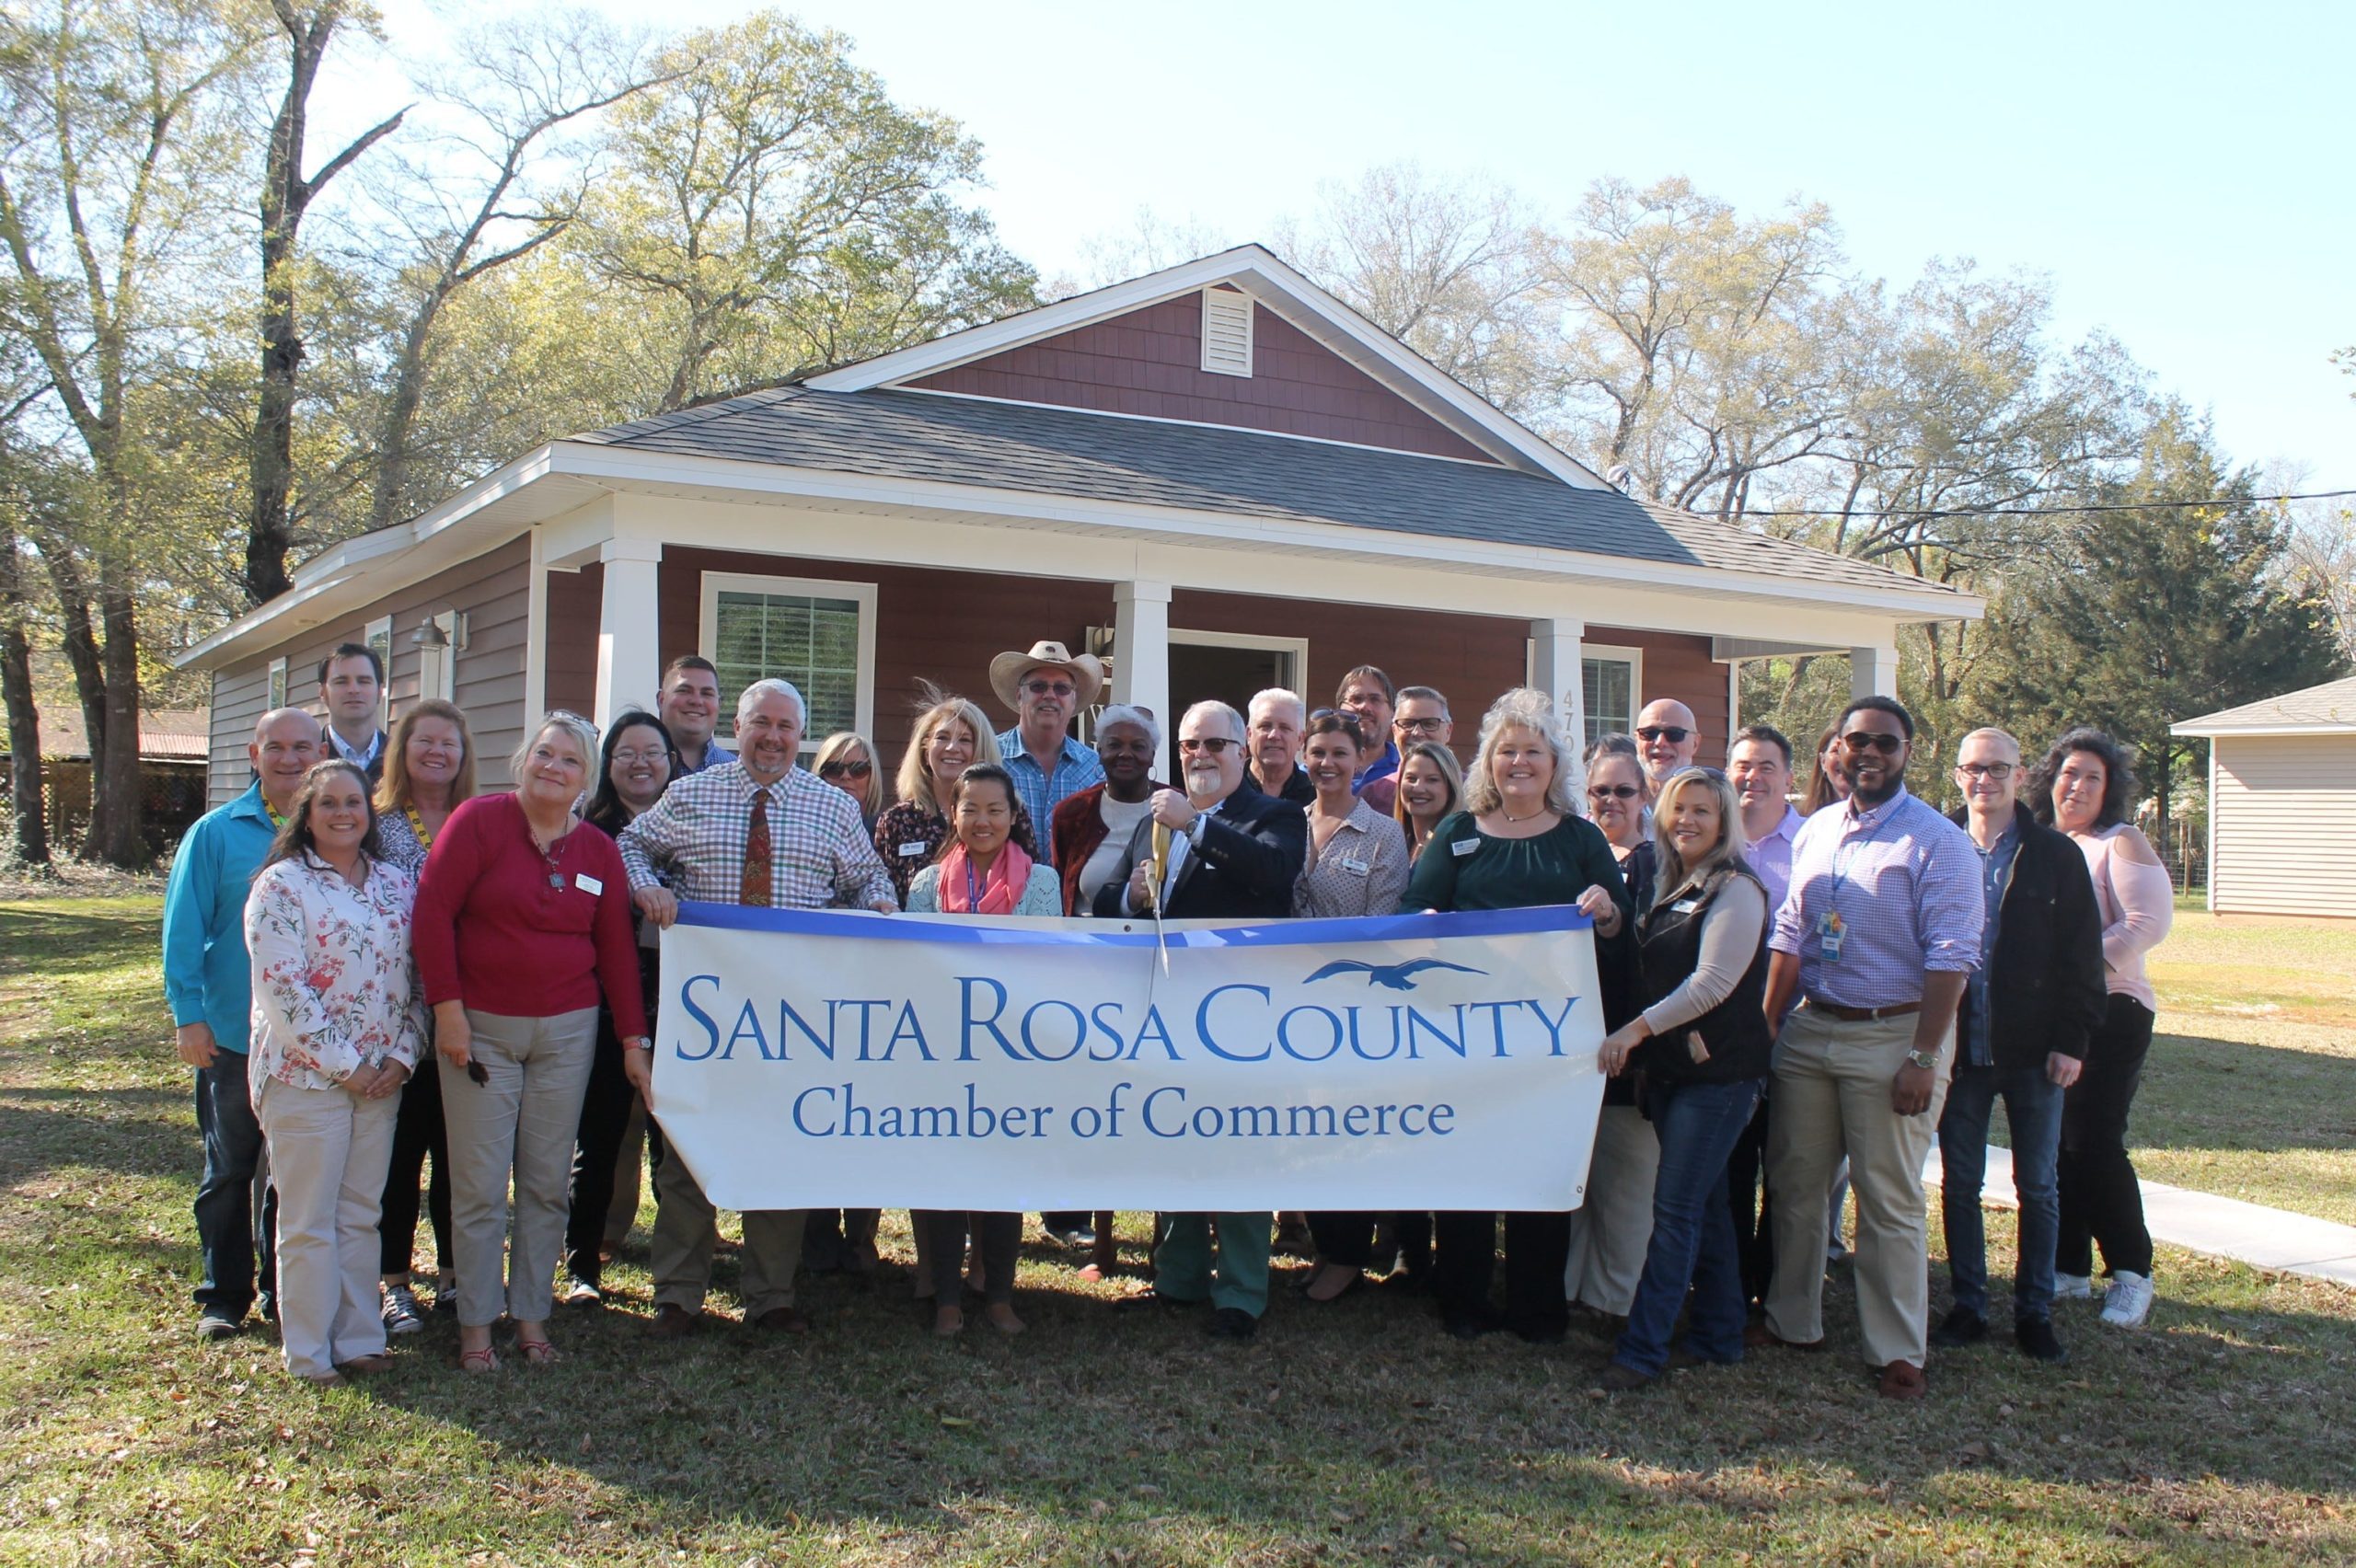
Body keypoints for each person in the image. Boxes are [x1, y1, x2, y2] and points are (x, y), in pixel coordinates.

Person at [619, 678, 896, 1339]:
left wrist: (883, 906)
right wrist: (647, 887)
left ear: (800, 738)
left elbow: (869, 880)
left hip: (793, 1014)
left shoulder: (831, 808)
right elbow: (631, 846)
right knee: (689, 1151)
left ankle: (771, 1294)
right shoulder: (688, 796)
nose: (772, 737)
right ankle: (678, 1295)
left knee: (780, 1148)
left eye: (785, 728)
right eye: (760, 724)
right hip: (706, 1011)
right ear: (735, 730)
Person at [1756, 696, 1981, 1401]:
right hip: (1814, 1026)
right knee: (1795, 1184)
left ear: (1908, 752)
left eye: (1885, 742)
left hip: (1897, 1032)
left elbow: (1954, 954)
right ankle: (1793, 1320)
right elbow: (1792, 929)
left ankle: (1897, 1349)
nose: (1869, 754)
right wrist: (1768, 1022)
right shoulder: (1818, 828)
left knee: (1888, 1199)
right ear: (1838, 750)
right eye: (1858, 742)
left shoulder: (1936, 841)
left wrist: (1923, 1056)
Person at [413, 712, 649, 1372]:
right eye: (544, 753)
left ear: (586, 778)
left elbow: (615, 952)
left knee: (547, 1184)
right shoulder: (479, 824)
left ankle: (532, 1317)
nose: (554, 767)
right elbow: (432, 912)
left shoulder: (598, 851)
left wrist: (633, 1039)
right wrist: (448, 1011)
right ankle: (476, 1325)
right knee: (481, 1184)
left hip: (567, 1033)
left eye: (570, 760)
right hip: (481, 1028)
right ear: (524, 759)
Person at [1399, 688, 1633, 1343]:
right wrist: (1426, 925)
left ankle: (1536, 1307)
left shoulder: (1583, 840)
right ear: (1488, 764)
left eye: (1533, 751)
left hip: (1552, 1044)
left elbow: (1619, 930)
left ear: (1555, 765)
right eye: (1507, 751)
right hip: (1464, 1035)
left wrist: (1606, 911)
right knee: (1467, 1161)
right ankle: (1464, 1300)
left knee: (1540, 1164)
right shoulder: (1460, 833)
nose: (1520, 763)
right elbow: (1415, 908)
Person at [1093, 700, 1308, 1342]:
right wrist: (1127, 896)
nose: (1202, 755)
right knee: (1177, 1142)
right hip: (1168, 1011)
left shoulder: (1276, 815)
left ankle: (1240, 1294)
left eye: (1216, 742)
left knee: (1239, 1146)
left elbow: (1273, 873)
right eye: (1190, 745)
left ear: (1243, 751)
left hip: (1242, 1014)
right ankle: (1177, 1280)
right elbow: (1109, 903)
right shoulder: (1154, 819)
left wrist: (1197, 828)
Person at [244, 759, 423, 1384]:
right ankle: (309, 1352)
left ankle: (359, 1337)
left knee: (359, 1214)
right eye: (329, 804)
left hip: (382, 1080)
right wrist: (346, 1066)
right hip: (306, 1077)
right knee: (307, 1219)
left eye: (355, 802)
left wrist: (402, 1055)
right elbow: (283, 990)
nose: (344, 813)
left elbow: (418, 981)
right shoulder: (281, 886)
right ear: (307, 815)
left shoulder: (397, 885)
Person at [1591, 767, 1772, 1390]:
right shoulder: (1670, 881)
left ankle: (1642, 1351)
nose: (1688, 820)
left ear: (1724, 821)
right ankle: (1720, 1336)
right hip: (1674, 1075)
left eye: (1703, 810)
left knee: (1674, 1213)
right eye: (1678, 809)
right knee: (1710, 1206)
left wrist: (1634, 1033)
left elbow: (1713, 985)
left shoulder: (1737, 890)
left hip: (1718, 1079)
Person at [1934, 728, 2107, 1365]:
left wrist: (2071, 1042)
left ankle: (2035, 1312)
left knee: (2038, 1186)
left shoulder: (2054, 855)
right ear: (1957, 775)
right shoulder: (1936, 844)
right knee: (1959, 1184)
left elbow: (2083, 959)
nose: (1985, 780)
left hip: (2035, 1053)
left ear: (2019, 773)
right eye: (1974, 769)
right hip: (1959, 1050)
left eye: (1997, 768)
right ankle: (1969, 1306)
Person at [163, 707, 323, 1340]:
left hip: (308, 1046)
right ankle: (224, 1296)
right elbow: (183, 931)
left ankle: (287, 1292)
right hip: (232, 1037)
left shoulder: (337, 830)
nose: (290, 759)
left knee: (293, 1178)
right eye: (276, 748)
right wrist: (188, 1017)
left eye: (303, 747)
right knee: (231, 1171)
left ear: (321, 754)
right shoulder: (215, 833)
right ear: (253, 756)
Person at [904, 763, 1061, 1334]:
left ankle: (998, 1294)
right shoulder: (925, 884)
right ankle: (946, 1295)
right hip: (942, 1051)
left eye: (995, 810)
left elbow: (1046, 968)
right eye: (971, 809)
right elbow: (915, 968)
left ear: (1013, 816)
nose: (983, 821)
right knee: (943, 1172)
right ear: (954, 813)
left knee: (1001, 1175)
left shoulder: (1041, 882)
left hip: (1012, 1053)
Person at [2030, 728, 2174, 1330]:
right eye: (2069, 773)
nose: (2079, 786)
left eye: (2093, 777)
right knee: (2059, 1145)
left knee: (2095, 1142)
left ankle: (2132, 1274)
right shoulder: (2039, 844)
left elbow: (2147, 921)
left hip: (2114, 1012)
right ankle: (2069, 1270)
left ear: (2109, 789)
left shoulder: (2121, 841)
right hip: (2053, 1016)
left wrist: (2079, 970)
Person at [1293, 712, 1412, 1302]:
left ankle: (1348, 1256)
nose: (1327, 764)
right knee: (1309, 1130)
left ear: (1361, 760)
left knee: (1349, 1130)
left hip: (1357, 1005)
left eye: (1340, 753)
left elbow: (1381, 923)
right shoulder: (1291, 824)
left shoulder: (1384, 834)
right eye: (1317, 752)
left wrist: (1308, 940)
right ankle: (1324, 1246)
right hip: (1294, 1007)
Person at [560, 710, 676, 1307]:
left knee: (671, 1141)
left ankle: (675, 1274)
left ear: (671, 761)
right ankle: (582, 1264)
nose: (640, 763)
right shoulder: (586, 831)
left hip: (681, 1005)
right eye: (626, 752)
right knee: (599, 1139)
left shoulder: (692, 825)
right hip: (603, 1006)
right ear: (608, 764)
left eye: (653, 752)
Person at [372, 698, 476, 1332]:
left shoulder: (477, 822)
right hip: (390, 1011)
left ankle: (456, 1276)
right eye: (424, 741)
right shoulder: (373, 821)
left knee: (458, 1152)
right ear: (402, 750)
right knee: (398, 1154)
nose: (436, 752)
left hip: (465, 1008)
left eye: (449, 743)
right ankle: (393, 1281)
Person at [1565, 737, 1658, 1329]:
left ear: (1646, 795)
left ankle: (1614, 1303)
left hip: (1635, 1046)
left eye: (1624, 790)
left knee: (1627, 1191)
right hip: (1571, 1047)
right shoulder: (1574, 855)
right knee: (1579, 1185)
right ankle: (1571, 1291)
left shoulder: (1659, 862)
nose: (1610, 801)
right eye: (1599, 790)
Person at [1722, 723, 1804, 1308]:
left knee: (1787, 1168)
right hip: (1723, 1034)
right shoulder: (1707, 841)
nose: (1752, 777)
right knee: (1730, 1167)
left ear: (1789, 777)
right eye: (1743, 765)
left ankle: (1773, 1290)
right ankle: (1729, 1285)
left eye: (1766, 766)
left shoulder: (1814, 843)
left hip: (1794, 1033)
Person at [872, 691, 1008, 906]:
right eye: (942, 737)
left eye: (964, 740)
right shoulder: (896, 821)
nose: (952, 748)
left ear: (980, 749)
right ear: (925, 748)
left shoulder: (1008, 814)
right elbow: (880, 889)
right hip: (915, 938)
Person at [1049, 705, 1165, 916]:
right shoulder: (1071, 813)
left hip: (1163, 942)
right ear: (1100, 751)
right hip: (1087, 944)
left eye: (1138, 746)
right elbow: (1060, 891)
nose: (1125, 754)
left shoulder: (1175, 805)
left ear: (1152, 755)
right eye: (1114, 745)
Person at [989, 639, 1106, 846]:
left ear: (1074, 700)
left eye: (1061, 688)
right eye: (1038, 686)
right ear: (1019, 695)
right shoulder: (990, 757)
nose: (1050, 695)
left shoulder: (1096, 769)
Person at [1363, 686, 1451, 815]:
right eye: (1407, 724)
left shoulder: (1471, 791)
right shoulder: (1372, 796)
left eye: (1430, 723)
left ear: (1448, 731)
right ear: (1394, 731)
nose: (1417, 732)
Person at [318, 644, 388, 782]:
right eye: (341, 682)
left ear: (380, 691)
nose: (354, 690)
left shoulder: (401, 758)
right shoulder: (309, 757)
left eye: (364, 681)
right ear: (322, 692)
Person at [1392, 739, 1464, 862]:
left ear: (1451, 787)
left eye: (1432, 780)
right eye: (1411, 778)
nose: (1418, 788)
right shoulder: (1397, 843)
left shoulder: (1459, 845)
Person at [657, 654, 732, 774]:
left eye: (707, 693)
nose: (696, 701)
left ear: (719, 704)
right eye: (684, 691)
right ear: (661, 700)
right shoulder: (639, 769)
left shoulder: (737, 773)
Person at [1334, 665, 1400, 792]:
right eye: (1356, 699)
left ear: (1392, 711)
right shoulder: (1314, 773)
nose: (1365, 707)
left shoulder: (1408, 772)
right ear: (1339, 709)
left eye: (1375, 699)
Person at [1246, 687, 1314, 804]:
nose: (1274, 735)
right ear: (1249, 735)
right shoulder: (1227, 789)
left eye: (1285, 728)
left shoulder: (1315, 795)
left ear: (1300, 739)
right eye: (1265, 726)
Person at [814, 731, 884, 832]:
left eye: (858, 769)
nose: (845, 776)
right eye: (834, 769)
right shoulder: (805, 827)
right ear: (820, 774)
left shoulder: (886, 832)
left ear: (872, 777)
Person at [1634, 698, 1700, 791]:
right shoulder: (1616, 799)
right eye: (1649, 733)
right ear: (1637, 741)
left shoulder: (1713, 801)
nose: (1660, 742)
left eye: (1674, 734)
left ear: (1695, 743)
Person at [1801, 723, 1849, 815]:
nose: (1844, 760)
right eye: (1836, 751)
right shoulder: (1805, 824)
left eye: (1850, 751)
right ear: (1823, 761)